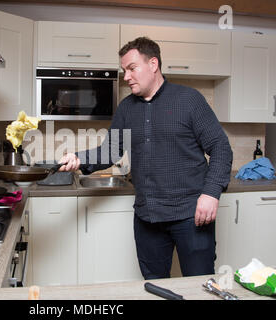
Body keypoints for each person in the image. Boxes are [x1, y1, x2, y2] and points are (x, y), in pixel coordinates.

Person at [59, 37, 233, 279]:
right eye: (123, 71)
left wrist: (211, 193)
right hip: (147, 218)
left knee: (199, 284)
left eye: (131, 68)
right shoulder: (127, 108)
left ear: (153, 64)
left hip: (191, 216)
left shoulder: (189, 100)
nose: (126, 76)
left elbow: (221, 148)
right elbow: (110, 150)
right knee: (154, 286)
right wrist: (78, 158)